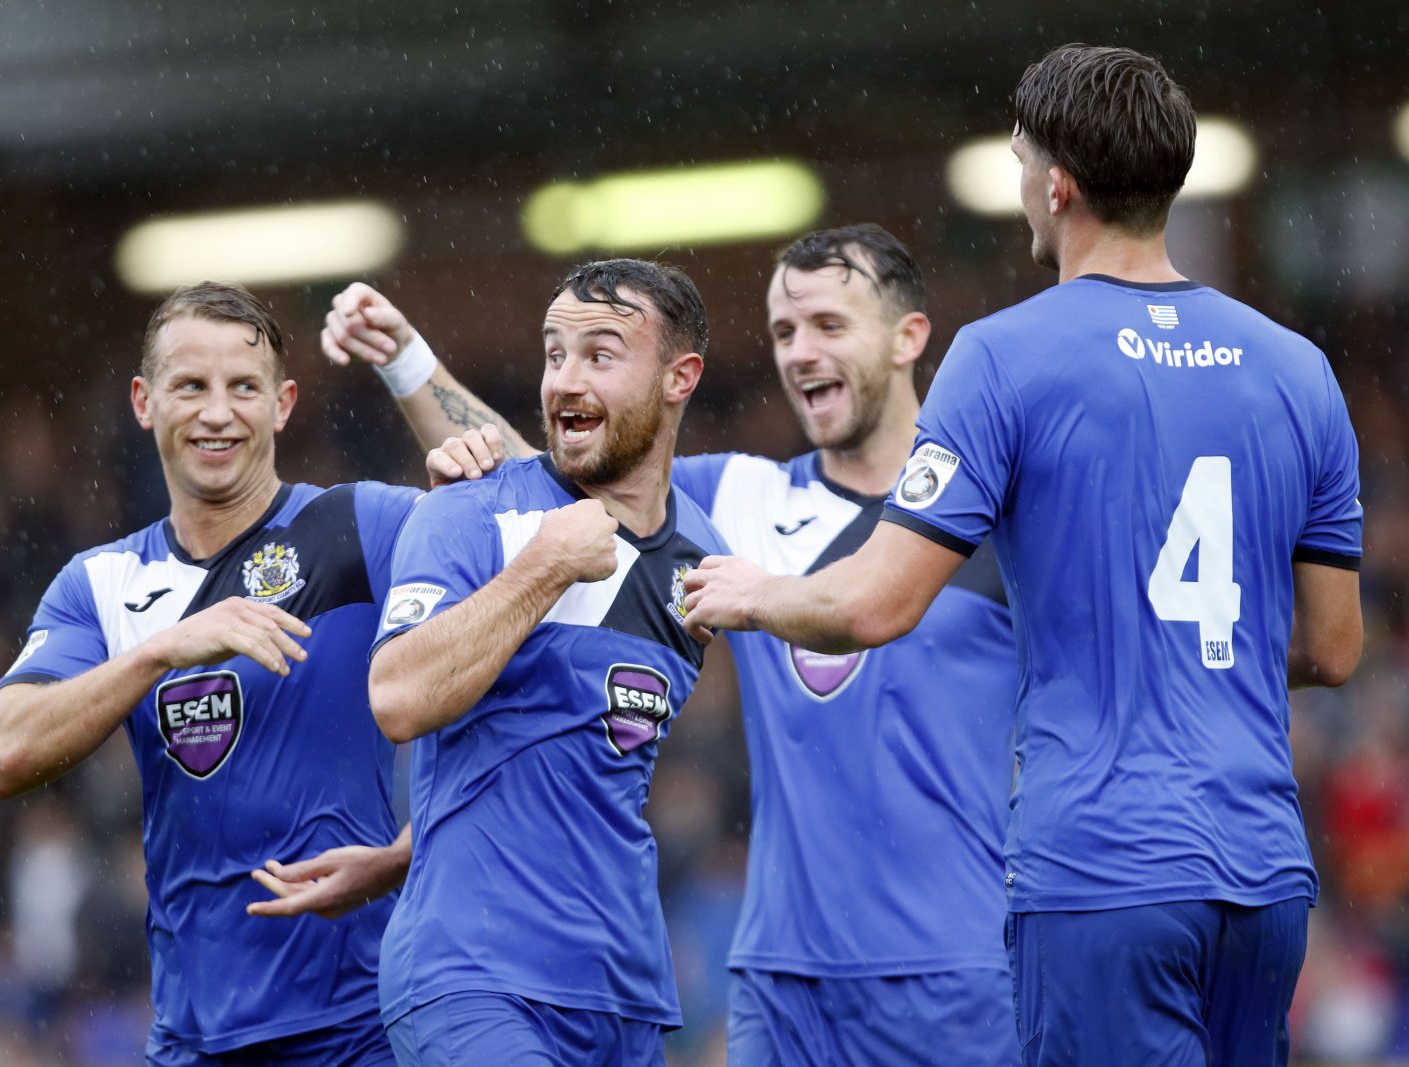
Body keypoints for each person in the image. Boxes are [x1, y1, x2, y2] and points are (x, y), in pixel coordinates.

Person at [681, 44, 1365, 1067]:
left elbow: (876, 605)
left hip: (1101, 869)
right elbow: (1333, 647)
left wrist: (757, 594)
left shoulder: (1004, 353)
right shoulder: (1297, 369)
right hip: (1261, 872)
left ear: (1056, 185)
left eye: (1015, 167)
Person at [320, 224, 1020, 1065]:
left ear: (910, 337)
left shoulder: (994, 524)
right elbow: (574, 476)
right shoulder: (739, 504)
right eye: (785, 331)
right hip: (785, 982)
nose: (801, 352)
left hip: (965, 962)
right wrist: (409, 365)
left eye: (830, 326)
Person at [0, 282, 417, 1066]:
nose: (217, 412)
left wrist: (408, 852)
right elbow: (3, 751)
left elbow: (537, 531)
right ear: (145, 402)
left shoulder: (361, 525)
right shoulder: (101, 582)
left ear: (282, 404)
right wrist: (159, 650)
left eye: (243, 387)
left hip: (364, 1029)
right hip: (192, 1040)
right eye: (192, 386)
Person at [360, 259, 723, 1064]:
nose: (565, 378)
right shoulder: (469, 506)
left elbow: (562, 752)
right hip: (474, 976)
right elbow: (398, 695)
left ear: (679, 377)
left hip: (623, 993)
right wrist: (545, 566)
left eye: (599, 353)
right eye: (554, 353)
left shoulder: (703, 564)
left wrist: (410, 842)